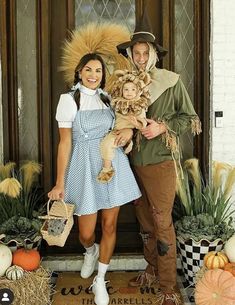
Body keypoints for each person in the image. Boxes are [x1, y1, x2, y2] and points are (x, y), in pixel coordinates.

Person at [117, 25, 201, 305]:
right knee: (144, 221)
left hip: (161, 162)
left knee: (162, 222)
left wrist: (163, 127)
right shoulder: (126, 81)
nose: (140, 58)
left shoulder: (170, 81)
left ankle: (168, 287)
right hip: (133, 161)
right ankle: (151, 270)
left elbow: (190, 118)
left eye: (145, 53)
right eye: (136, 53)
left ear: (153, 55)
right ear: (131, 55)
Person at [48, 53, 141, 305]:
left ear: (103, 75)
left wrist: (127, 132)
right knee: (87, 232)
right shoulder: (68, 100)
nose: (93, 75)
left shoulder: (108, 98)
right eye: (88, 70)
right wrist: (59, 183)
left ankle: (101, 279)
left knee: (110, 226)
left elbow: (123, 124)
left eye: (98, 71)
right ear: (79, 72)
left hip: (112, 163)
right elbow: (65, 143)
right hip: (83, 165)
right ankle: (90, 250)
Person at [97, 69, 151, 183]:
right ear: (121, 90)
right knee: (105, 144)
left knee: (109, 144)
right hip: (116, 130)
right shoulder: (117, 101)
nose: (129, 92)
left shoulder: (139, 103)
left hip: (129, 130)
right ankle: (108, 167)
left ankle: (107, 169)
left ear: (138, 91)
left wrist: (137, 124)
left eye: (133, 89)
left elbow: (143, 121)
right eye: (126, 89)